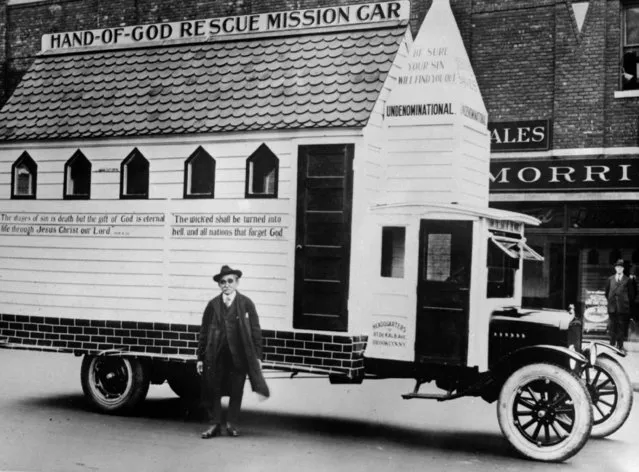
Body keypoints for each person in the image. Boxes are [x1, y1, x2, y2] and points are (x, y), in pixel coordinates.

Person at [196, 265, 269, 438]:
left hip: (239, 356)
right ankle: (214, 424)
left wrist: (258, 356)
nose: (226, 285)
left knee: (237, 389)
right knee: (214, 388)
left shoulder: (246, 303)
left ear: (237, 283)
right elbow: (204, 331)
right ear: (219, 285)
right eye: (223, 282)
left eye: (230, 281)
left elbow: (256, 330)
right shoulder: (213, 305)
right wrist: (200, 357)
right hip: (217, 355)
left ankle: (231, 424)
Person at [604, 259, 636, 354]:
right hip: (612, 307)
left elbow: (632, 295)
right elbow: (606, 293)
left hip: (623, 308)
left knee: (621, 327)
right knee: (612, 326)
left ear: (623, 269)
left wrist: (625, 302)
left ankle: (620, 346)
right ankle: (611, 344)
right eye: (617, 267)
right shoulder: (610, 279)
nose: (619, 269)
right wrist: (611, 301)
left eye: (621, 267)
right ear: (615, 268)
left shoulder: (628, 280)